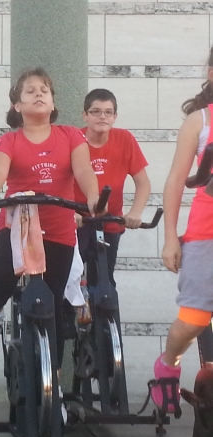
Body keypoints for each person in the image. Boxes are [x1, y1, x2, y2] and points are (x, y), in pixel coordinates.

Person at [0, 68, 100, 383]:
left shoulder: (70, 135)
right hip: (18, 227)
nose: (38, 94)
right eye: (29, 91)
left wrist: (94, 198)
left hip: (58, 229)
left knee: (53, 304)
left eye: (44, 90)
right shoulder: (9, 140)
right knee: (1, 278)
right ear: (17, 105)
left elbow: (84, 170)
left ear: (53, 102)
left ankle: (52, 386)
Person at [151, 46, 213, 412]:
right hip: (206, 234)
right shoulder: (199, 121)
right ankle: (168, 365)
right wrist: (170, 238)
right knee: (192, 320)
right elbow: (176, 180)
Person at [74, 88, 151, 286]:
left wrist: (135, 212)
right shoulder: (74, 140)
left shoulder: (125, 139)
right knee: (70, 279)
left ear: (115, 117)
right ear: (85, 115)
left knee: (104, 280)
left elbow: (143, 182)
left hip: (110, 220)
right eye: (96, 111)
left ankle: (104, 304)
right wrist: (69, 214)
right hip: (78, 220)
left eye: (108, 112)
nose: (103, 117)